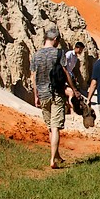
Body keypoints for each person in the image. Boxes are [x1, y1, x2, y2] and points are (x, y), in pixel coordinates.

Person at [31, 25, 70, 169]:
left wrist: (36, 96)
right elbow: (65, 72)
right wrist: (72, 89)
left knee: (50, 127)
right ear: (55, 39)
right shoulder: (59, 53)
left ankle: (57, 154)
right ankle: (53, 159)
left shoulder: (36, 55)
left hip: (42, 94)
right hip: (57, 93)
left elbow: (33, 77)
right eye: (58, 40)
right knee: (55, 127)